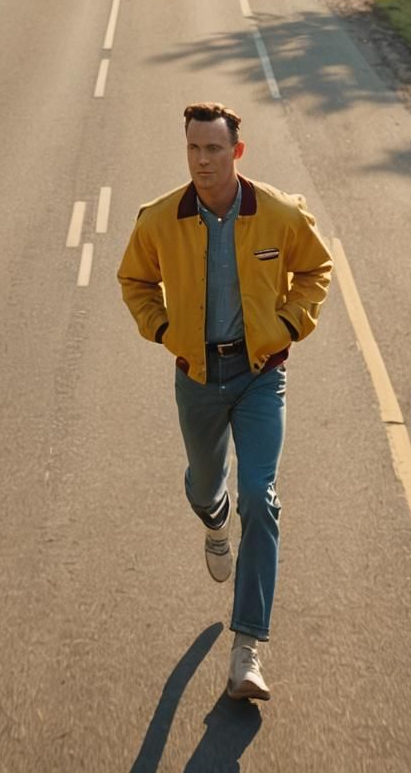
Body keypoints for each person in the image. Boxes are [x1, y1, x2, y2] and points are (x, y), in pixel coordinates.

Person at [117, 102, 333, 702]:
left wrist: (288, 327)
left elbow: (316, 269)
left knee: (260, 499)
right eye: (193, 149)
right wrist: (164, 332)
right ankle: (213, 522)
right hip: (197, 379)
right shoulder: (160, 219)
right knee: (206, 485)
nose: (202, 161)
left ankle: (247, 651)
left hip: (262, 374)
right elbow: (133, 280)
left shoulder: (281, 214)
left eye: (214, 149)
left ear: (237, 152)